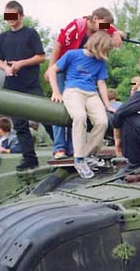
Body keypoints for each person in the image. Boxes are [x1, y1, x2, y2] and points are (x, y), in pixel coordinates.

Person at [46, 7, 125, 160]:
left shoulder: (102, 27)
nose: (106, 28)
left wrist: (116, 33)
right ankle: (59, 147)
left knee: (92, 118)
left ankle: (77, 150)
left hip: (87, 76)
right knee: (60, 107)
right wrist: (51, 68)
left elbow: (118, 33)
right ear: (94, 18)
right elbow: (59, 45)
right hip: (66, 66)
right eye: (105, 24)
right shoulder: (75, 27)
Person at [48, 31, 114, 179]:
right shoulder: (72, 55)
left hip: (91, 93)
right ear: (98, 47)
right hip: (73, 90)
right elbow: (52, 70)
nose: (106, 54)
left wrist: (107, 105)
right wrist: (56, 92)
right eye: (105, 50)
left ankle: (90, 154)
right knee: (79, 117)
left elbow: (101, 83)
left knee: (102, 121)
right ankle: (79, 158)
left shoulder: (100, 63)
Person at [0, 0, 45, 170]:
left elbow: (40, 57)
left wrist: (20, 63)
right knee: (20, 125)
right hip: (12, 84)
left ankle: (62, 150)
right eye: (7, 15)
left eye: (13, 15)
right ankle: (29, 158)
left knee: (47, 117)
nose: (9, 19)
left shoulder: (31, 34)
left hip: (31, 83)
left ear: (21, 15)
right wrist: (6, 68)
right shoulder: (3, 37)